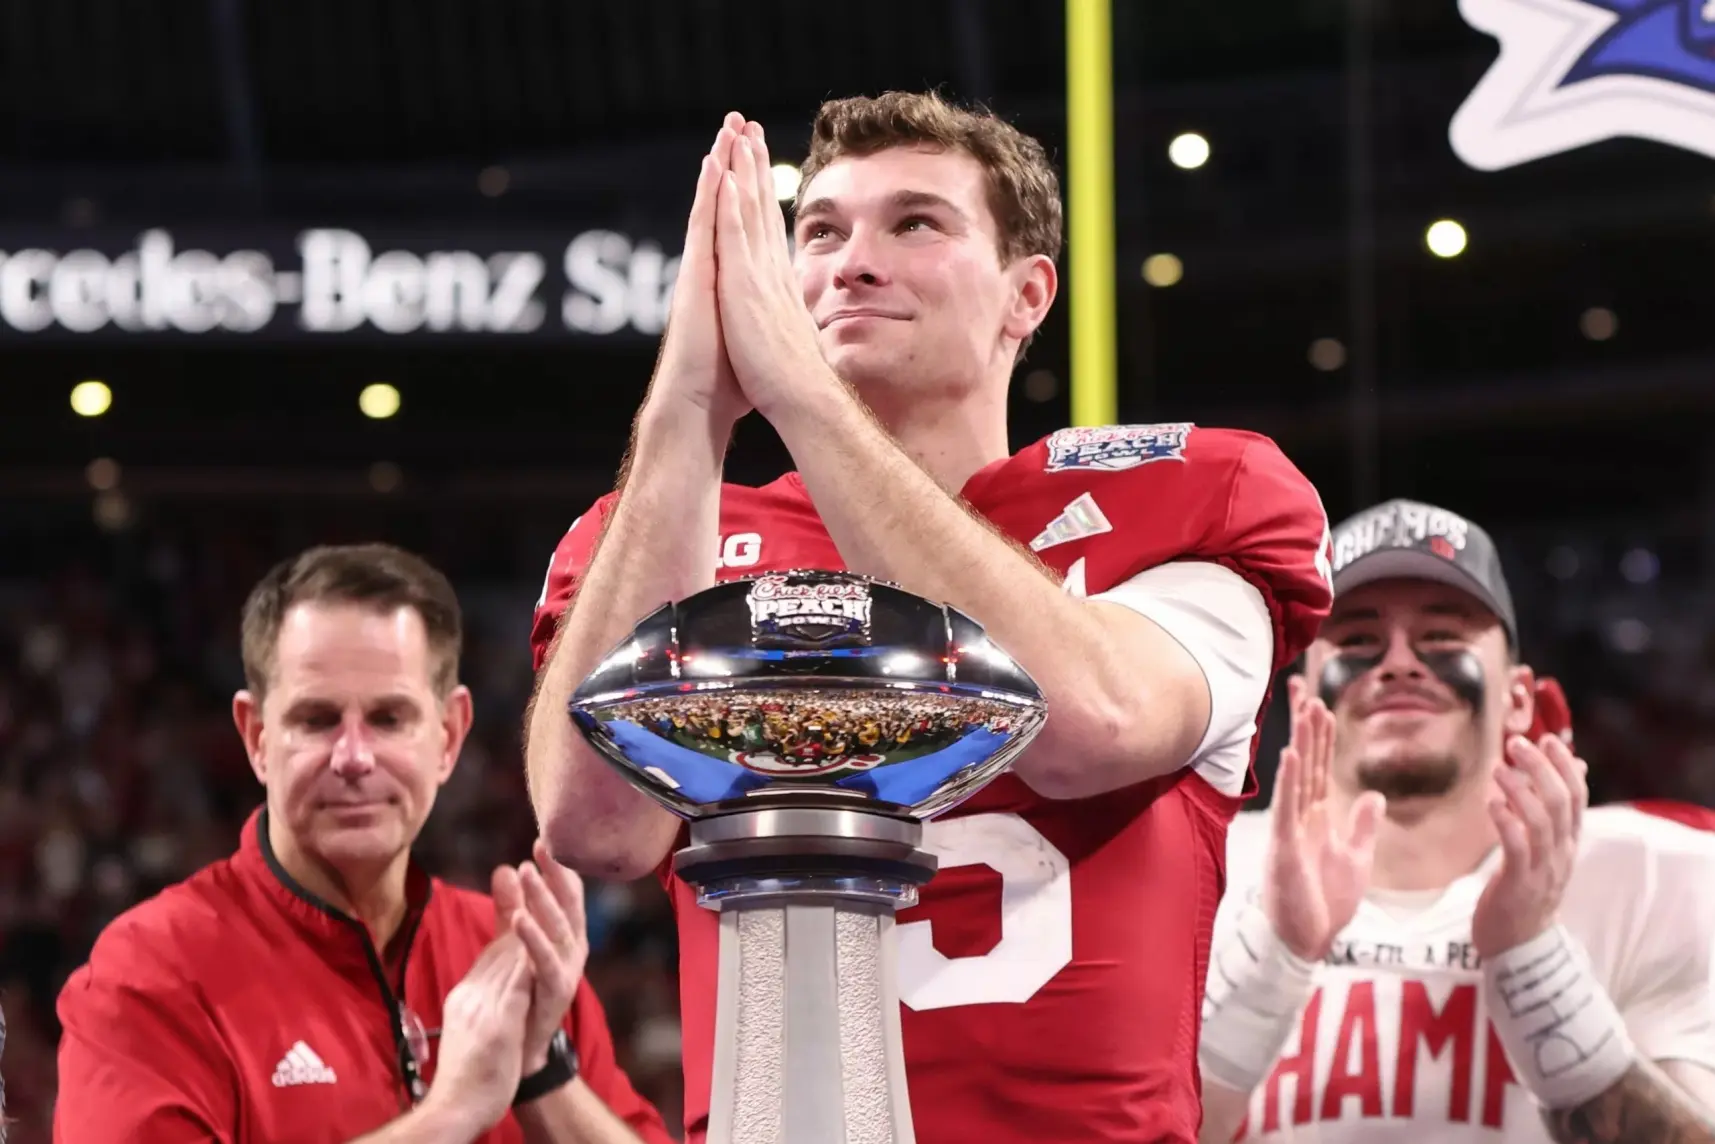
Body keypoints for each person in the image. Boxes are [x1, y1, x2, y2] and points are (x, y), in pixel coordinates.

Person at [525, 91, 1336, 1143]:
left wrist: (803, 397)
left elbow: (1094, 722)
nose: (853, 265)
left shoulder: (1185, 496)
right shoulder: (675, 531)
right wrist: (686, 407)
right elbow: (597, 827)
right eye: (820, 232)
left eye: (914, 223)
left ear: (1025, 294)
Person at [56, 544, 672, 1144]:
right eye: (317, 719)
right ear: (257, 737)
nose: (353, 757)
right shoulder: (147, 974)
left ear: (449, 735)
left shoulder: (514, 958)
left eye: (388, 719)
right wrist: (449, 1114)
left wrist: (540, 1073)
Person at [1197, 498, 1715, 1143]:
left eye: (1442, 636)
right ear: (1302, 700)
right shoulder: (1205, 874)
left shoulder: (1650, 877)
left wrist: (1534, 962)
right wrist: (1271, 962)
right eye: (1357, 640)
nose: (1398, 662)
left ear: (1519, 697)